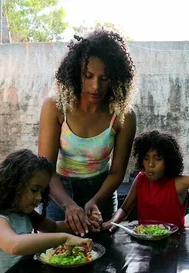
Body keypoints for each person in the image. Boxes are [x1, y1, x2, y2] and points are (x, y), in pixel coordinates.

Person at [38, 29, 137, 237]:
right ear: (75, 72)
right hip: (59, 195)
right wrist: (68, 205)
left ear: (117, 78)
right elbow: (45, 168)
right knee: (57, 258)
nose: (96, 86)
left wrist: (95, 201)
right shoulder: (55, 107)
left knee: (104, 258)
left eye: (105, 78)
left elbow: (117, 172)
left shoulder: (123, 116)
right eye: (88, 76)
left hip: (102, 196)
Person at [0, 149, 92, 273]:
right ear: (13, 185)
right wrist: (65, 239)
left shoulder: (25, 213)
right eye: (34, 190)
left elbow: (53, 227)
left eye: (42, 191)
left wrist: (87, 223)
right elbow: (14, 245)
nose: (39, 197)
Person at [102, 129, 189, 233]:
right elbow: (124, 209)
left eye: (157, 158)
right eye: (146, 158)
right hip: (146, 246)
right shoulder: (141, 178)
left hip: (175, 247)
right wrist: (113, 222)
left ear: (168, 161)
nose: (151, 164)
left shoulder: (179, 183)